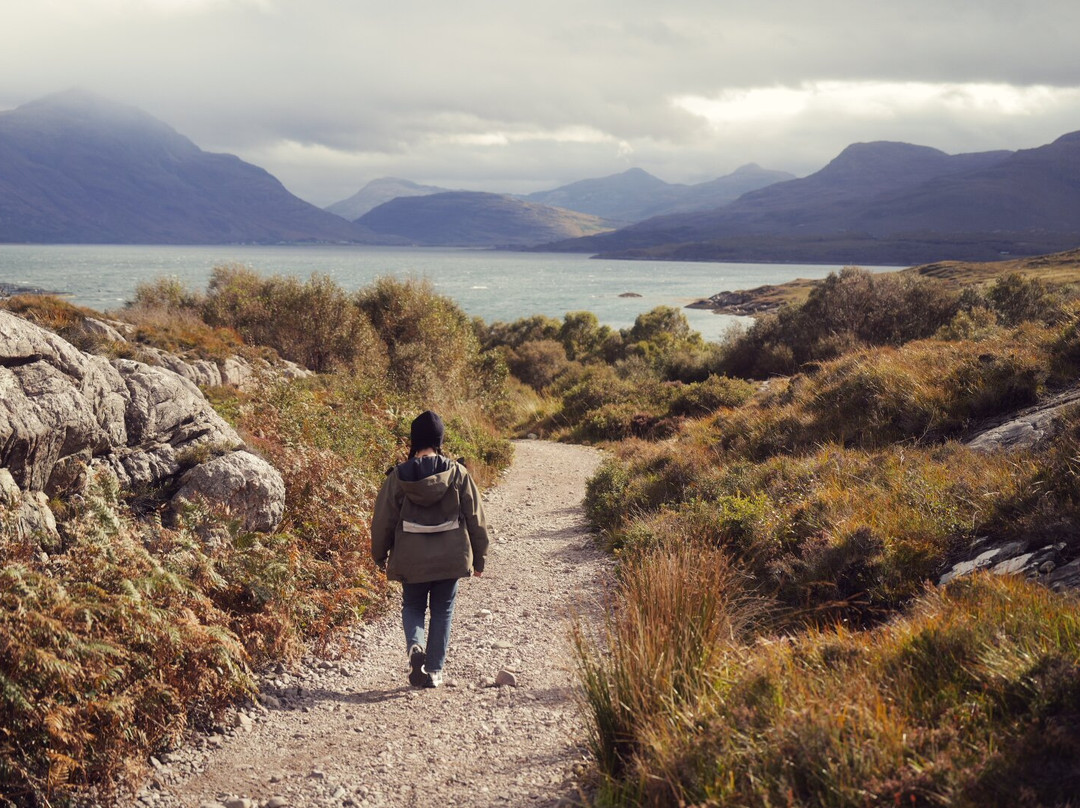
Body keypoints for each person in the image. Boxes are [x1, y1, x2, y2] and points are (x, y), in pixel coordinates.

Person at [370, 410, 489, 688]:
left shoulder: (398, 477)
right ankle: (434, 670)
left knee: (412, 605)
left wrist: (379, 555)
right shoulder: (458, 473)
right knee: (442, 610)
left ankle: (415, 646)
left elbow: (382, 521)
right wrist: (480, 559)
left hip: (411, 560)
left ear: (414, 441)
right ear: (439, 440)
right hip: (450, 559)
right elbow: (476, 519)